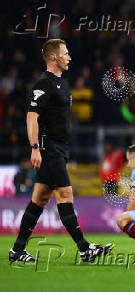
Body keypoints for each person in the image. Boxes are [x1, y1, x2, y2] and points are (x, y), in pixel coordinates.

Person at [9, 39, 113, 263]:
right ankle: (85, 249)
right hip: (49, 149)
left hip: (60, 149)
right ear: (54, 57)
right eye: (65, 53)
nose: (70, 57)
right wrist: (35, 148)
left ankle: (17, 250)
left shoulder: (62, 84)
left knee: (39, 199)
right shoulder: (43, 84)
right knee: (65, 195)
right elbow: (31, 116)